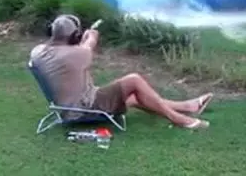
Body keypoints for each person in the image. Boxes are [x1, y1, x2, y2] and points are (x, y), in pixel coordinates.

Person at [30, 14, 213, 129]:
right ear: (75, 36)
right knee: (133, 80)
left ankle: (188, 106)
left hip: (67, 108)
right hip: (83, 109)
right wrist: (90, 35)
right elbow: (89, 44)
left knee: (134, 97)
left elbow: (71, 51)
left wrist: (80, 40)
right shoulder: (76, 54)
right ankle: (180, 120)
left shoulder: (37, 52)